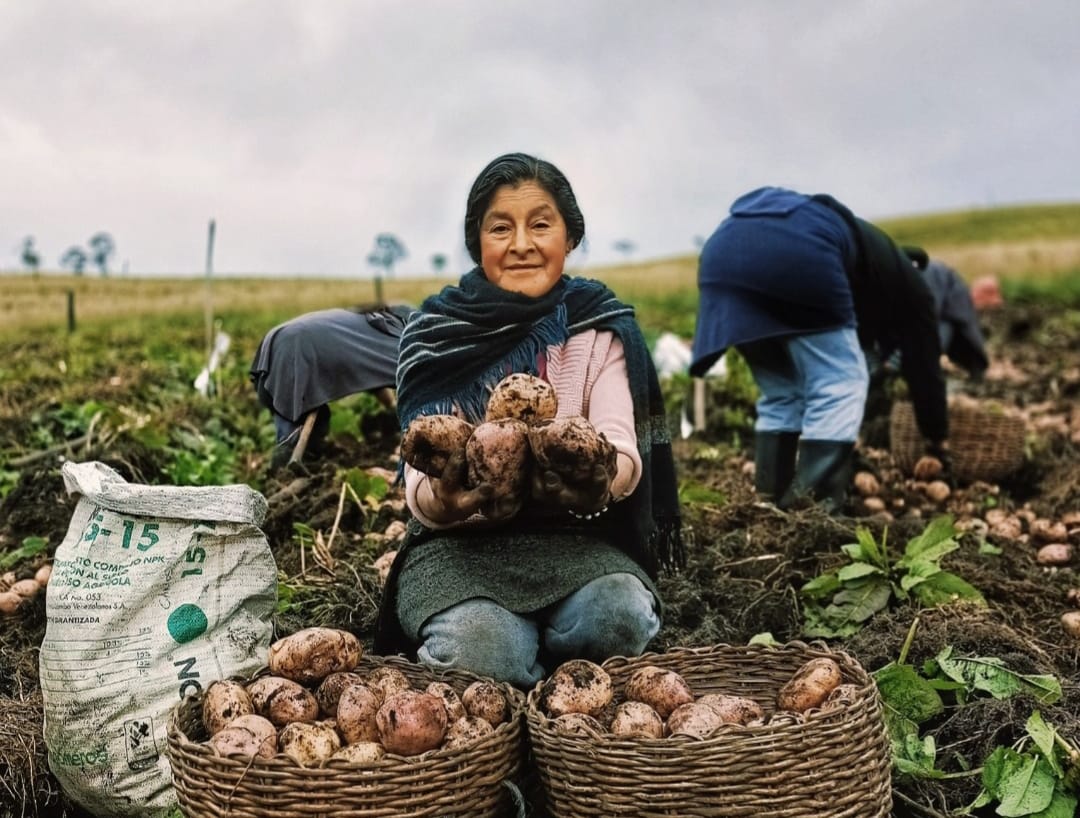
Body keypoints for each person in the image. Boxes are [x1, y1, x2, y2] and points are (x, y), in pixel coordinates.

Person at [373, 152, 683, 688]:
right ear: (478, 242)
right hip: (458, 550)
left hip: (577, 543)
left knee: (619, 616)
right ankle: (521, 685)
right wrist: (448, 501)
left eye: (541, 224)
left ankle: (553, 696)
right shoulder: (437, 334)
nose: (521, 244)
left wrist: (600, 481)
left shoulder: (598, 327)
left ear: (569, 237)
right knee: (481, 647)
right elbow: (422, 481)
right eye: (501, 228)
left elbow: (621, 447)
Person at [689, 186, 951, 513]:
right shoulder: (912, 286)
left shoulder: (869, 260)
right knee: (840, 382)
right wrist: (937, 436)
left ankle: (770, 502)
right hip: (797, 252)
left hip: (722, 254)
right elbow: (924, 365)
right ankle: (812, 513)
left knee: (782, 391)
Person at [250, 303, 412, 467]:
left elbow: (373, 377)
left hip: (273, 345)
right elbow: (412, 380)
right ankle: (288, 467)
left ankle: (293, 467)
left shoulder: (364, 324)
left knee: (313, 420)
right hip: (299, 352)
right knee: (297, 433)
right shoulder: (396, 340)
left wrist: (391, 406)